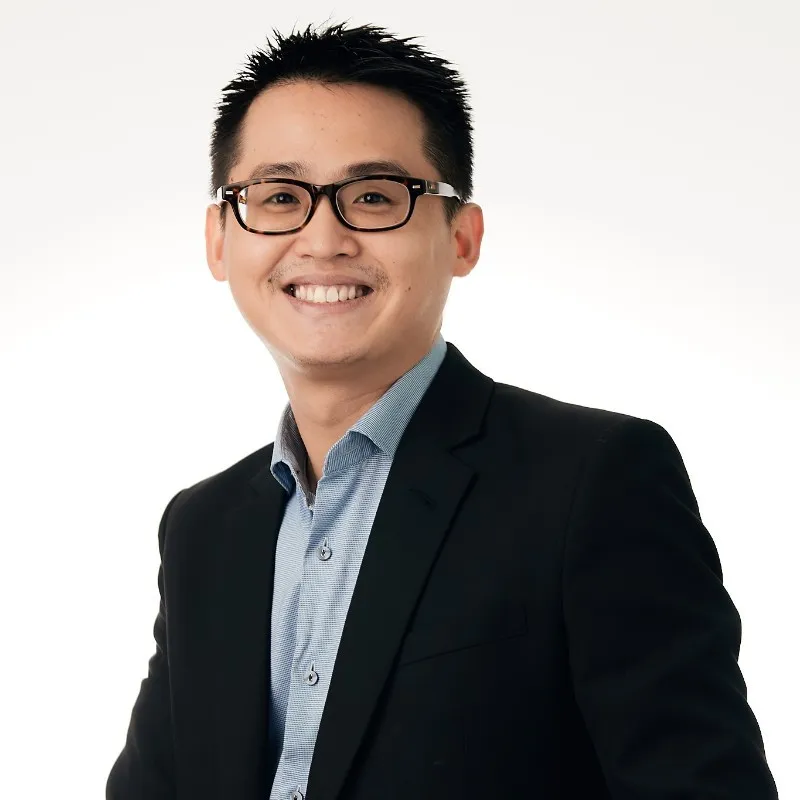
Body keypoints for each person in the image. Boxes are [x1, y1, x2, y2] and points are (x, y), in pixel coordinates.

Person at [106, 21, 779, 800]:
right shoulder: (203, 528)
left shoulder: (591, 482)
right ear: (220, 240)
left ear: (462, 235)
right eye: (280, 197)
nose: (323, 238)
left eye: (374, 197)